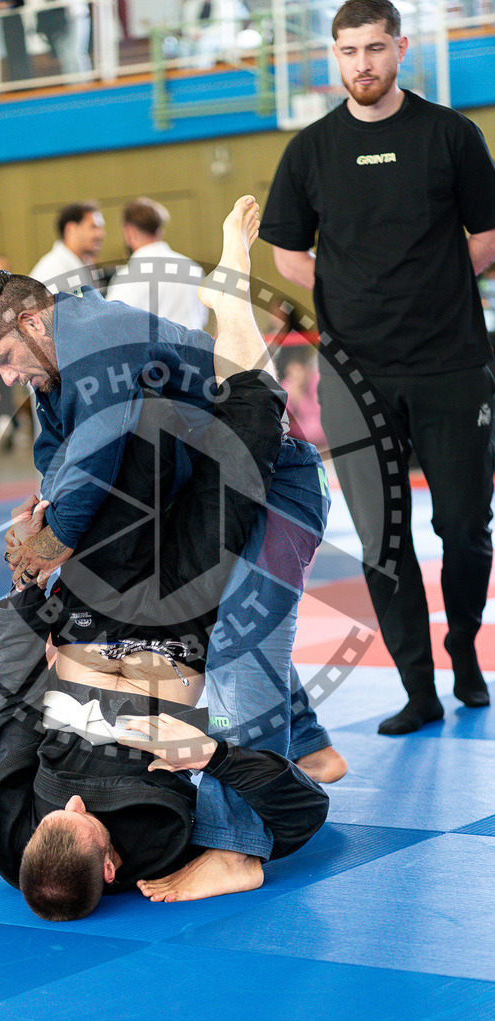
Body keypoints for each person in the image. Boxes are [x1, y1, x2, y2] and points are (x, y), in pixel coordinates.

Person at [0, 197, 343, 918]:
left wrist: (32, 590)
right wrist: (216, 758)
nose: (7, 376)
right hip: (186, 528)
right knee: (237, 630)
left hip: (225, 487)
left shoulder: (3, 831)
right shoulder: (159, 839)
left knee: (241, 632)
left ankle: (239, 848)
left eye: (5, 359)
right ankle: (299, 759)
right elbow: (64, 456)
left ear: (30, 323)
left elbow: (4, 718)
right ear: (110, 865)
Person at [259, 0, 495, 735]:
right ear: (333, 57)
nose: (359, 64)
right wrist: (350, 295)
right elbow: (286, 252)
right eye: (345, 51)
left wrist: (429, 288)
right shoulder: (309, 151)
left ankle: (463, 649)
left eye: (372, 48)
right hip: (353, 374)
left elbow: (486, 234)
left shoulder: (449, 135)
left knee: (463, 527)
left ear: (399, 50)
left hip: (450, 364)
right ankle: (416, 687)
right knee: (382, 538)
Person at [106, 197, 207, 330]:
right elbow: (202, 318)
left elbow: (111, 325)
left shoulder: (128, 277)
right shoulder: (193, 268)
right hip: (194, 349)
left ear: (129, 232)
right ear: (160, 229)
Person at [28, 201, 106, 294]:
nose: (101, 234)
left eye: (101, 228)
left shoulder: (85, 265)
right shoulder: (53, 269)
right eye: (93, 227)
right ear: (70, 229)